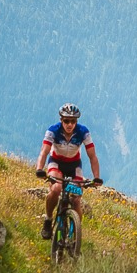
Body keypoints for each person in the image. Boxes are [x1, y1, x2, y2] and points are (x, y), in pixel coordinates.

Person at [35, 103, 101, 240]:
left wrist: (96, 178)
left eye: (73, 121)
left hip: (74, 166)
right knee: (56, 188)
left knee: (76, 198)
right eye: (66, 121)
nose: (70, 124)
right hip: (56, 163)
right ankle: (48, 220)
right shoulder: (53, 130)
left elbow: (92, 156)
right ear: (61, 120)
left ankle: (75, 234)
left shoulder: (83, 132)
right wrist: (39, 169)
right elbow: (44, 152)